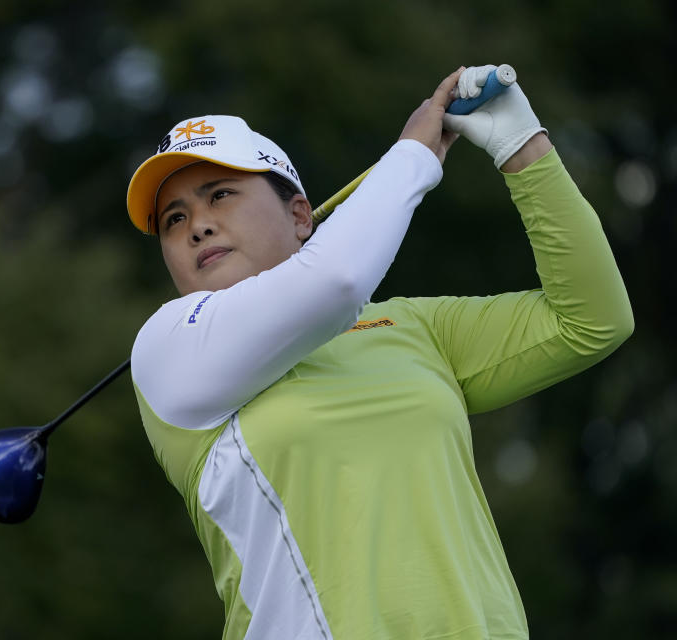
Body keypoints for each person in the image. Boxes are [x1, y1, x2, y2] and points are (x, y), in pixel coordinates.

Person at [124, 66, 633, 639]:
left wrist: (523, 147)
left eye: (220, 195)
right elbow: (335, 281)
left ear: (299, 218)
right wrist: (413, 157)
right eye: (174, 219)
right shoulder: (166, 350)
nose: (197, 227)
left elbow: (591, 319)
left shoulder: (412, 328)